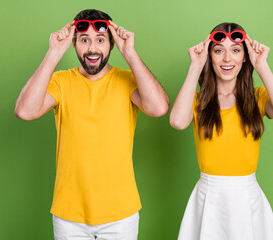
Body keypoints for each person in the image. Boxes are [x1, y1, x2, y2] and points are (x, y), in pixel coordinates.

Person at [15, 9, 169, 240]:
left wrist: (131, 53)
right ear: (74, 44)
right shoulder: (61, 81)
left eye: (100, 40)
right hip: (69, 216)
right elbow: (25, 111)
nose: (92, 48)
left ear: (111, 44)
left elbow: (159, 107)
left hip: (120, 215)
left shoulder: (127, 81)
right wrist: (53, 53)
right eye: (84, 40)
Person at [170, 22, 273, 240]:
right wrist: (195, 66)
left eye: (236, 50)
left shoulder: (257, 97)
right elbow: (178, 122)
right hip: (209, 196)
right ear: (210, 57)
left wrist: (262, 65)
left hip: (247, 197)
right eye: (219, 51)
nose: (227, 59)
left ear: (245, 56)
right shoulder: (198, 101)